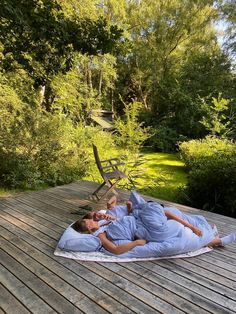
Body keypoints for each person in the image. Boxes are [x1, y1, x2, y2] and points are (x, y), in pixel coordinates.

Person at [73, 193, 236, 255]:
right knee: (167, 220)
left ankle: (211, 236)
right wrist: (136, 242)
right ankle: (214, 239)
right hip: (142, 229)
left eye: (92, 217)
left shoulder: (103, 225)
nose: (94, 218)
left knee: (166, 212)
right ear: (88, 226)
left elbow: (114, 202)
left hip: (137, 220)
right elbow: (116, 250)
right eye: (89, 220)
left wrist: (126, 211)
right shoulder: (100, 236)